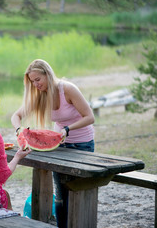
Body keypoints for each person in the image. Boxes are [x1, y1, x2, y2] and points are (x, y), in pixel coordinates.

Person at [11, 59, 95, 228]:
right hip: (59, 146)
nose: (35, 84)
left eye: (38, 80)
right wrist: (19, 130)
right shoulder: (39, 95)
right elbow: (16, 116)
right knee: (61, 194)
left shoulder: (68, 89)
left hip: (82, 144)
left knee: (80, 190)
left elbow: (90, 117)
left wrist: (67, 130)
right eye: (32, 81)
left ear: (47, 75)